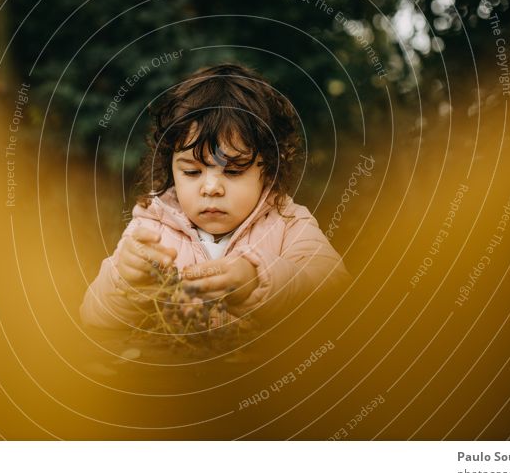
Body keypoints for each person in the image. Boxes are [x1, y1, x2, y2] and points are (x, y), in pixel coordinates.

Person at [80, 62, 350, 330]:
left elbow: (335, 294)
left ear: (268, 170)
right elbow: (93, 315)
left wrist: (258, 280)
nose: (211, 188)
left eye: (232, 171)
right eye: (191, 171)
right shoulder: (152, 227)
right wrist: (124, 280)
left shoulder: (289, 223)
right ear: (171, 167)